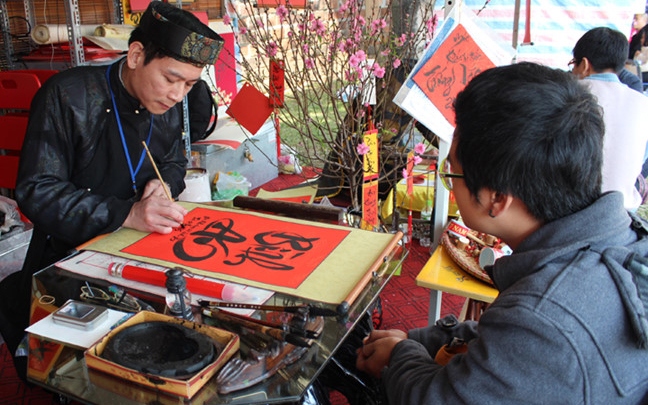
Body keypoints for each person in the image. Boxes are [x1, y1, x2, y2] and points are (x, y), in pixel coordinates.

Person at [356, 62, 648, 403]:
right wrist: (422, 340)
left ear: (497, 198)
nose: (452, 187)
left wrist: (400, 355)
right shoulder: (620, 241)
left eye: (453, 174)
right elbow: (509, 344)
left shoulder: (542, 319)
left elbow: (437, 399)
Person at [0, 1, 223, 381]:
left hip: (138, 249)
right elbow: (37, 190)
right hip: (67, 255)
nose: (176, 95)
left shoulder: (165, 103)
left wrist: (161, 186)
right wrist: (127, 214)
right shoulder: (67, 96)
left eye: (189, 84)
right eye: (171, 79)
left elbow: (171, 160)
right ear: (136, 55)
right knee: (93, 373)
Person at [570, 27, 648, 210]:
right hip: (624, 211)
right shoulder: (643, 103)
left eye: (573, 64)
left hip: (574, 211)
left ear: (584, 65)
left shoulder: (571, 94)